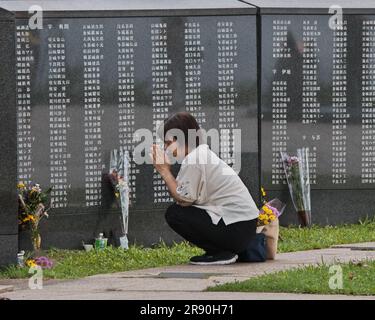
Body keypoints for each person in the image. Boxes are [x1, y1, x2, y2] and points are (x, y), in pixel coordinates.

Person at [149, 112, 273, 265]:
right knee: (178, 211)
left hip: (237, 229)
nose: (166, 148)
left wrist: (164, 171)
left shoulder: (195, 158)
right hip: (243, 227)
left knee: (175, 214)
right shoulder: (199, 154)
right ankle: (221, 251)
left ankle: (221, 252)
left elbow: (184, 199)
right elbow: (184, 195)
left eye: (168, 143)